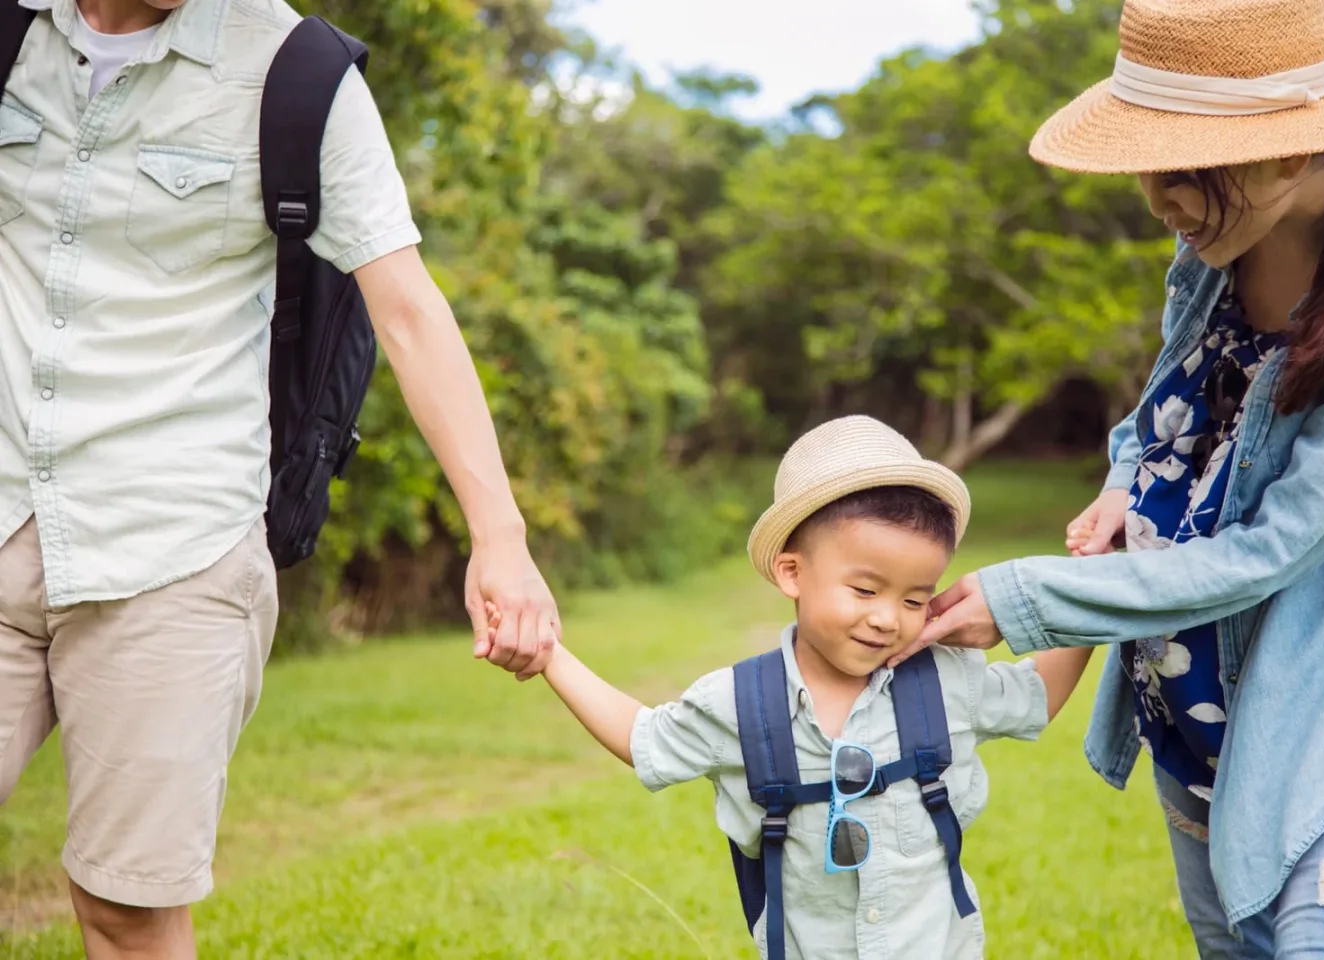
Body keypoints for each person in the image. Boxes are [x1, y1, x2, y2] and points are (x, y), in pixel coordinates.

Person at [0, 0, 559, 957]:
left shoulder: (296, 74)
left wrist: (498, 536)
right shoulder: (15, 31)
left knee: (126, 911)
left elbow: (410, 311)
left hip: (171, 551)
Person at [896, 0, 1324, 956]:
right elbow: (1160, 413)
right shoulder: (1210, 250)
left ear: (1290, 152)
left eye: (1182, 166)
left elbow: (1272, 549)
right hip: (1184, 694)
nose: (1158, 198)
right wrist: (1119, 481)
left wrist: (1033, 596)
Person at [483, 415, 1088, 959]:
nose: (887, 618)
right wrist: (550, 657)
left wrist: (1097, 600)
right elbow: (644, 737)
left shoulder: (945, 680)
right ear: (792, 572)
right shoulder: (742, 705)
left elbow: (1036, 697)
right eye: (865, 590)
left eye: (914, 599)